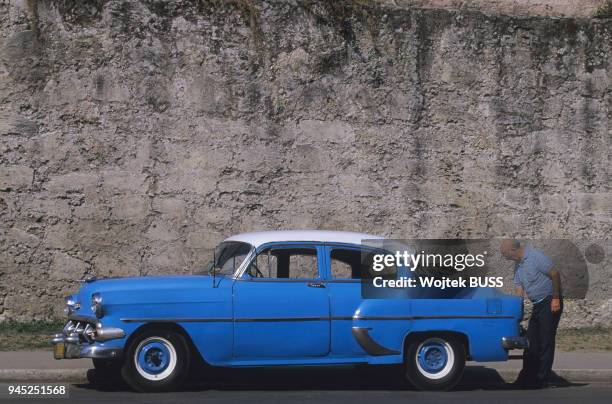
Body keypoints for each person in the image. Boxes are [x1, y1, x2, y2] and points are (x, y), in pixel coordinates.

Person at [500, 239, 563, 389]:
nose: (504, 257)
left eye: (505, 253)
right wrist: (517, 310)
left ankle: (542, 380)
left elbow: (555, 274)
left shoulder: (535, 257)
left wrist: (555, 298)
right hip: (537, 305)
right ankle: (526, 378)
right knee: (530, 343)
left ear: (512, 250)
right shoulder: (518, 265)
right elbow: (519, 289)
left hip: (549, 302)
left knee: (546, 342)